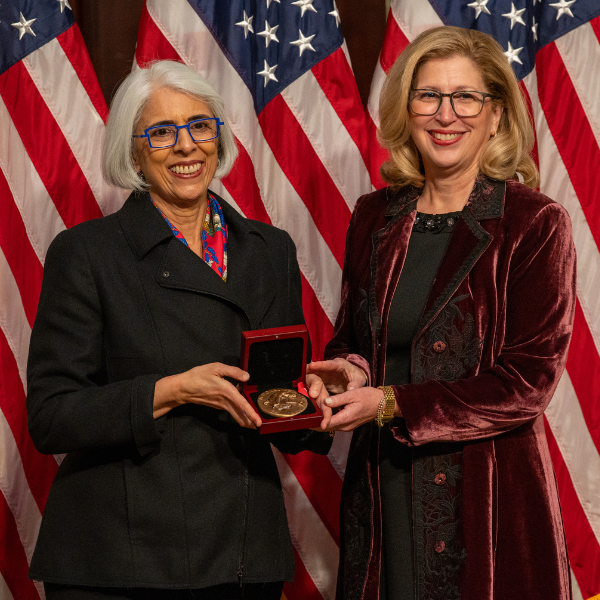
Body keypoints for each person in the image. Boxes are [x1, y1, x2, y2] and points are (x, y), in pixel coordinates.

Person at [26, 60, 330, 600]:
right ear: (134, 151)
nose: (186, 146)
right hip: (121, 558)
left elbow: (279, 393)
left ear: (219, 137)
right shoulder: (87, 254)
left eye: (199, 126)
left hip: (240, 552)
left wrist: (315, 401)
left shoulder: (269, 250)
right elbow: (51, 416)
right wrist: (170, 391)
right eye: (162, 132)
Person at [308, 26, 576, 600]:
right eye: (428, 95)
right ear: (408, 108)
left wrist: (390, 402)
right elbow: (354, 337)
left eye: (466, 97)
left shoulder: (533, 222)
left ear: (496, 115)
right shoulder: (375, 216)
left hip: (487, 498)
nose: (445, 114)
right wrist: (350, 368)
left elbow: (527, 384)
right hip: (382, 490)